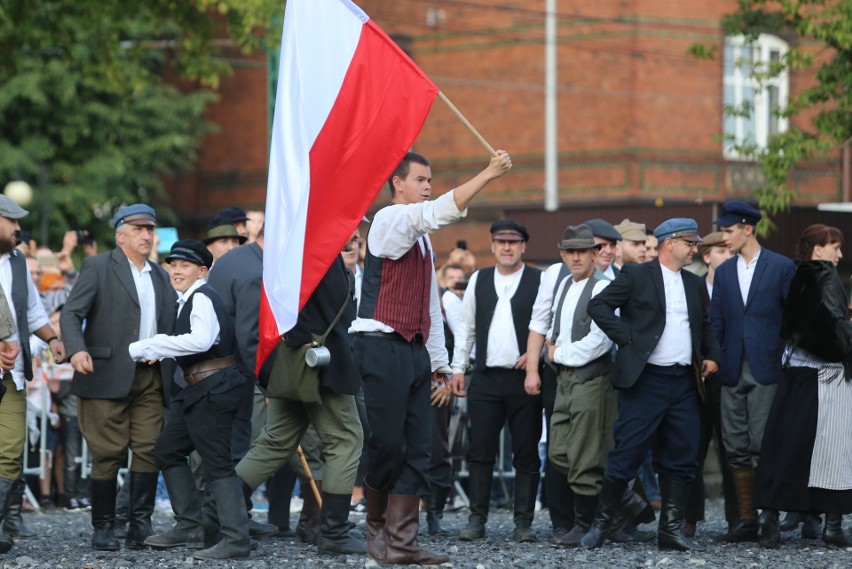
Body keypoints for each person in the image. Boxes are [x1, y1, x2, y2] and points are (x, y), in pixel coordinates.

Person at [351, 149, 512, 565]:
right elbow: (437, 213)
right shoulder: (389, 220)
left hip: (413, 350)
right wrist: (488, 174)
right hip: (380, 345)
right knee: (387, 444)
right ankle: (377, 531)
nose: (427, 186)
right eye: (420, 179)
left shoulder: (421, 240)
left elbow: (430, 309)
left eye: (430, 180)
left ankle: (402, 544)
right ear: (397, 184)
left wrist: (441, 364)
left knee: (418, 447)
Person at [581, 218, 721, 552]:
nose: (695, 249)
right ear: (669, 243)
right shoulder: (636, 275)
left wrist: (712, 355)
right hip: (645, 381)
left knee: (684, 456)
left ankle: (670, 531)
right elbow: (597, 305)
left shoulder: (693, 283)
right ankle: (600, 526)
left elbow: (704, 324)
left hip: (685, 382)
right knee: (626, 453)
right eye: (690, 243)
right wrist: (626, 337)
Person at [235, 235, 366, 556]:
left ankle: (219, 511)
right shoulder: (319, 251)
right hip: (319, 363)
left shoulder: (298, 247)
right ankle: (334, 531)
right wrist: (303, 339)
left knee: (276, 439)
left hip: (293, 361)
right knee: (346, 439)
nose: (354, 237)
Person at [61, 203, 177, 551]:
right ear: (120, 234)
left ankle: (139, 526)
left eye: (150, 229)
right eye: (139, 229)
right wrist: (76, 349)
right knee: (106, 453)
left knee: (149, 449)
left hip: (151, 375)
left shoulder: (159, 274)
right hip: (104, 373)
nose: (146, 235)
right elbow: (71, 314)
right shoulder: (98, 266)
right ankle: (104, 528)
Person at [129, 239, 252, 559]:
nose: (177, 270)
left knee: (218, 464)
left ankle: (236, 538)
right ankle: (191, 525)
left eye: (186, 265)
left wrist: (152, 345)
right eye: (173, 264)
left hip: (213, 388)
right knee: (168, 449)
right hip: (197, 389)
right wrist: (163, 350)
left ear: (202, 270)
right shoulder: (190, 298)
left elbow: (201, 340)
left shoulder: (201, 296)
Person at [754, 224, 852, 548]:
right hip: (824, 378)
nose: (839, 254)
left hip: (797, 373)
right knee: (830, 449)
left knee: (786, 447)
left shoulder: (801, 276)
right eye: (834, 247)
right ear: (818, 249)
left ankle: (771, 518)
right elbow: (833, 333)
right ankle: (832, 526)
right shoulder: (825, 277)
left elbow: (805, 327)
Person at [449, 219, 543, 543]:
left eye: (513, 242)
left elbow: (548, 324)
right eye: (501, 242)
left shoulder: (539, 280)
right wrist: (458, 368)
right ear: (491, 246)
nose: (506, 247)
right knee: (480, 451)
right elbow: (466, 328)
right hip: (486, 377)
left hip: (523, 380)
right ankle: (477, 520)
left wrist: (536, 355)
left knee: (527, 453)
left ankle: (524, 523)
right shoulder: (478, 279)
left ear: (523, 246)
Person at [710, 200, 795, 547]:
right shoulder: (726, 271)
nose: (724, 237)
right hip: (730, 369)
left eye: (729, 231)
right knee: (735, 447)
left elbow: (791, 320)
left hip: (766, 368)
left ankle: (769, 519)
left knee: (764, 445)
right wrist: (713, 357)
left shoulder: (781, 266)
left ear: (748, 229)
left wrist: (782, 358)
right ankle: (746, 519)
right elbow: (717, 320)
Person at [527, 224, 615, 546]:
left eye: (583, 251)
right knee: (559, 453)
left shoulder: (603, 287)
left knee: (584, 454)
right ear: (562, 254)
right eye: (571, 251)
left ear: (594, 253)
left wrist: (558, 352)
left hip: (590, 379)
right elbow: (555, 326)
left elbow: (600, 342)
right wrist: (552, 349)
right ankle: (626, 503)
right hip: (563, 379)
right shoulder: (564, 283)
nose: (576, 257)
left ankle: (585, 525)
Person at [0, 194, 65, 554]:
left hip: (13, 374)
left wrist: (53, 338)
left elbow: (34, 313)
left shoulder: (20, 263)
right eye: (11, 220)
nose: (18, 227)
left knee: (10, 452)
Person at [683, 232, 737, 538]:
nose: (729, 257)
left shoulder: (738, 289)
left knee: (733, 450)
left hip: (729, 379)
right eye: (722, 251)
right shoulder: (692, 287)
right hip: (696, 381)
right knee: (691, 450)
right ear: (707, 257)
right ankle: (689, 518)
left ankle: (738, 519)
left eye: (731, 251)